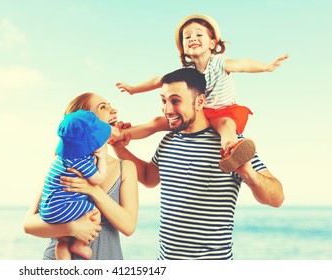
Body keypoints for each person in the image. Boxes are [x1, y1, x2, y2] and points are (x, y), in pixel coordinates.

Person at [112, 68, 284, 260]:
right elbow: (147, 177)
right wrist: (120, 148)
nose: (167, 109)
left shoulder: (231, 145)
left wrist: (249, 173)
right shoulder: (169, 141)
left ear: (200, 101)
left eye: (176, 101)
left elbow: (277, 198)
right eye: (163, 100)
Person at [115, 14, 288, 173]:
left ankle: (231, 151)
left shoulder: (219, 63)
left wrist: (265, 67)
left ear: (212, 43)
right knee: (157, 122)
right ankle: (117, 135)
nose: (193, 39)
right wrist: (133, 89)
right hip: (197, 114)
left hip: (222, 112)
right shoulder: (186, 72)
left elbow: (241, 64)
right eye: (187, 37)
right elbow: (158, 80)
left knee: (226, 125)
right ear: (183, 48)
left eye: (199, 35)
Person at [24, 92, 139, 260]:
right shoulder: (62, 164)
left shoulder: (125, 168)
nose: (113, 110)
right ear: (86, 123)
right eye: (103, 107)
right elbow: (29, 225)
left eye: (109, 105)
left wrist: (93, 190)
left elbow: (128, 226)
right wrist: (71, 228)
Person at [39, 109, 111, 260]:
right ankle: (79, 244)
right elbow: (98, 179)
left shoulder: (61, 158)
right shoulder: (81, 161)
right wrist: (102, 158)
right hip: (62, 208)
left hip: (47, 210)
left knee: (62, 240)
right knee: (94, 214)